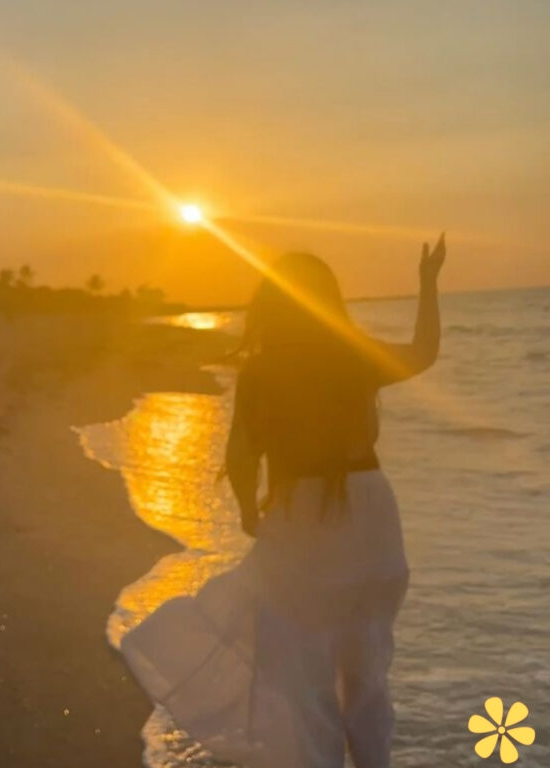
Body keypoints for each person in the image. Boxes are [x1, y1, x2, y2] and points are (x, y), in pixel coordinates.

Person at [120, 235, 446, 768]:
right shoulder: (354, 360)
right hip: (373, 522)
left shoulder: (263, 372)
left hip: (304, 523)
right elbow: (424, 353)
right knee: (367, 668)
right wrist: (427, 284)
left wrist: (250, 511)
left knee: (305, 675)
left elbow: (243, 455)